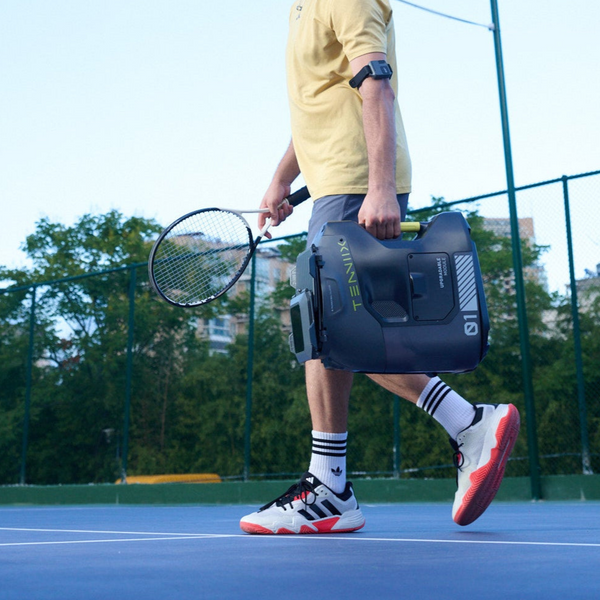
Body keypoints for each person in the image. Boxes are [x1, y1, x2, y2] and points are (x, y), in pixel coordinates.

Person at [240, 0, 520, 534]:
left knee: (328, 328)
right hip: (335, 184)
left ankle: (336, 485)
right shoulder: (301, 8)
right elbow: (321, 103)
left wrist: (381, 187)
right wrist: (282, 179)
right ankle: (462, 425)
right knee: (337, 329)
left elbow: (375, 83)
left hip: (355, 182)